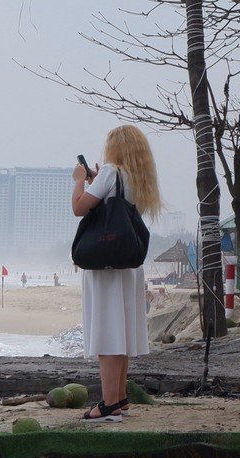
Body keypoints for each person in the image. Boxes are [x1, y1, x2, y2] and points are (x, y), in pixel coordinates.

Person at [71, 123, 163, 423]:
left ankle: (109, 404)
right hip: (126, 266)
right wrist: (99, 181)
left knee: (108, 333)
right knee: (120, 332)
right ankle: (120, 398)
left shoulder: (111, 172)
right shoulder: (134, 178)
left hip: (105, 267)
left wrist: (80, 181)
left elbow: (79, 208)